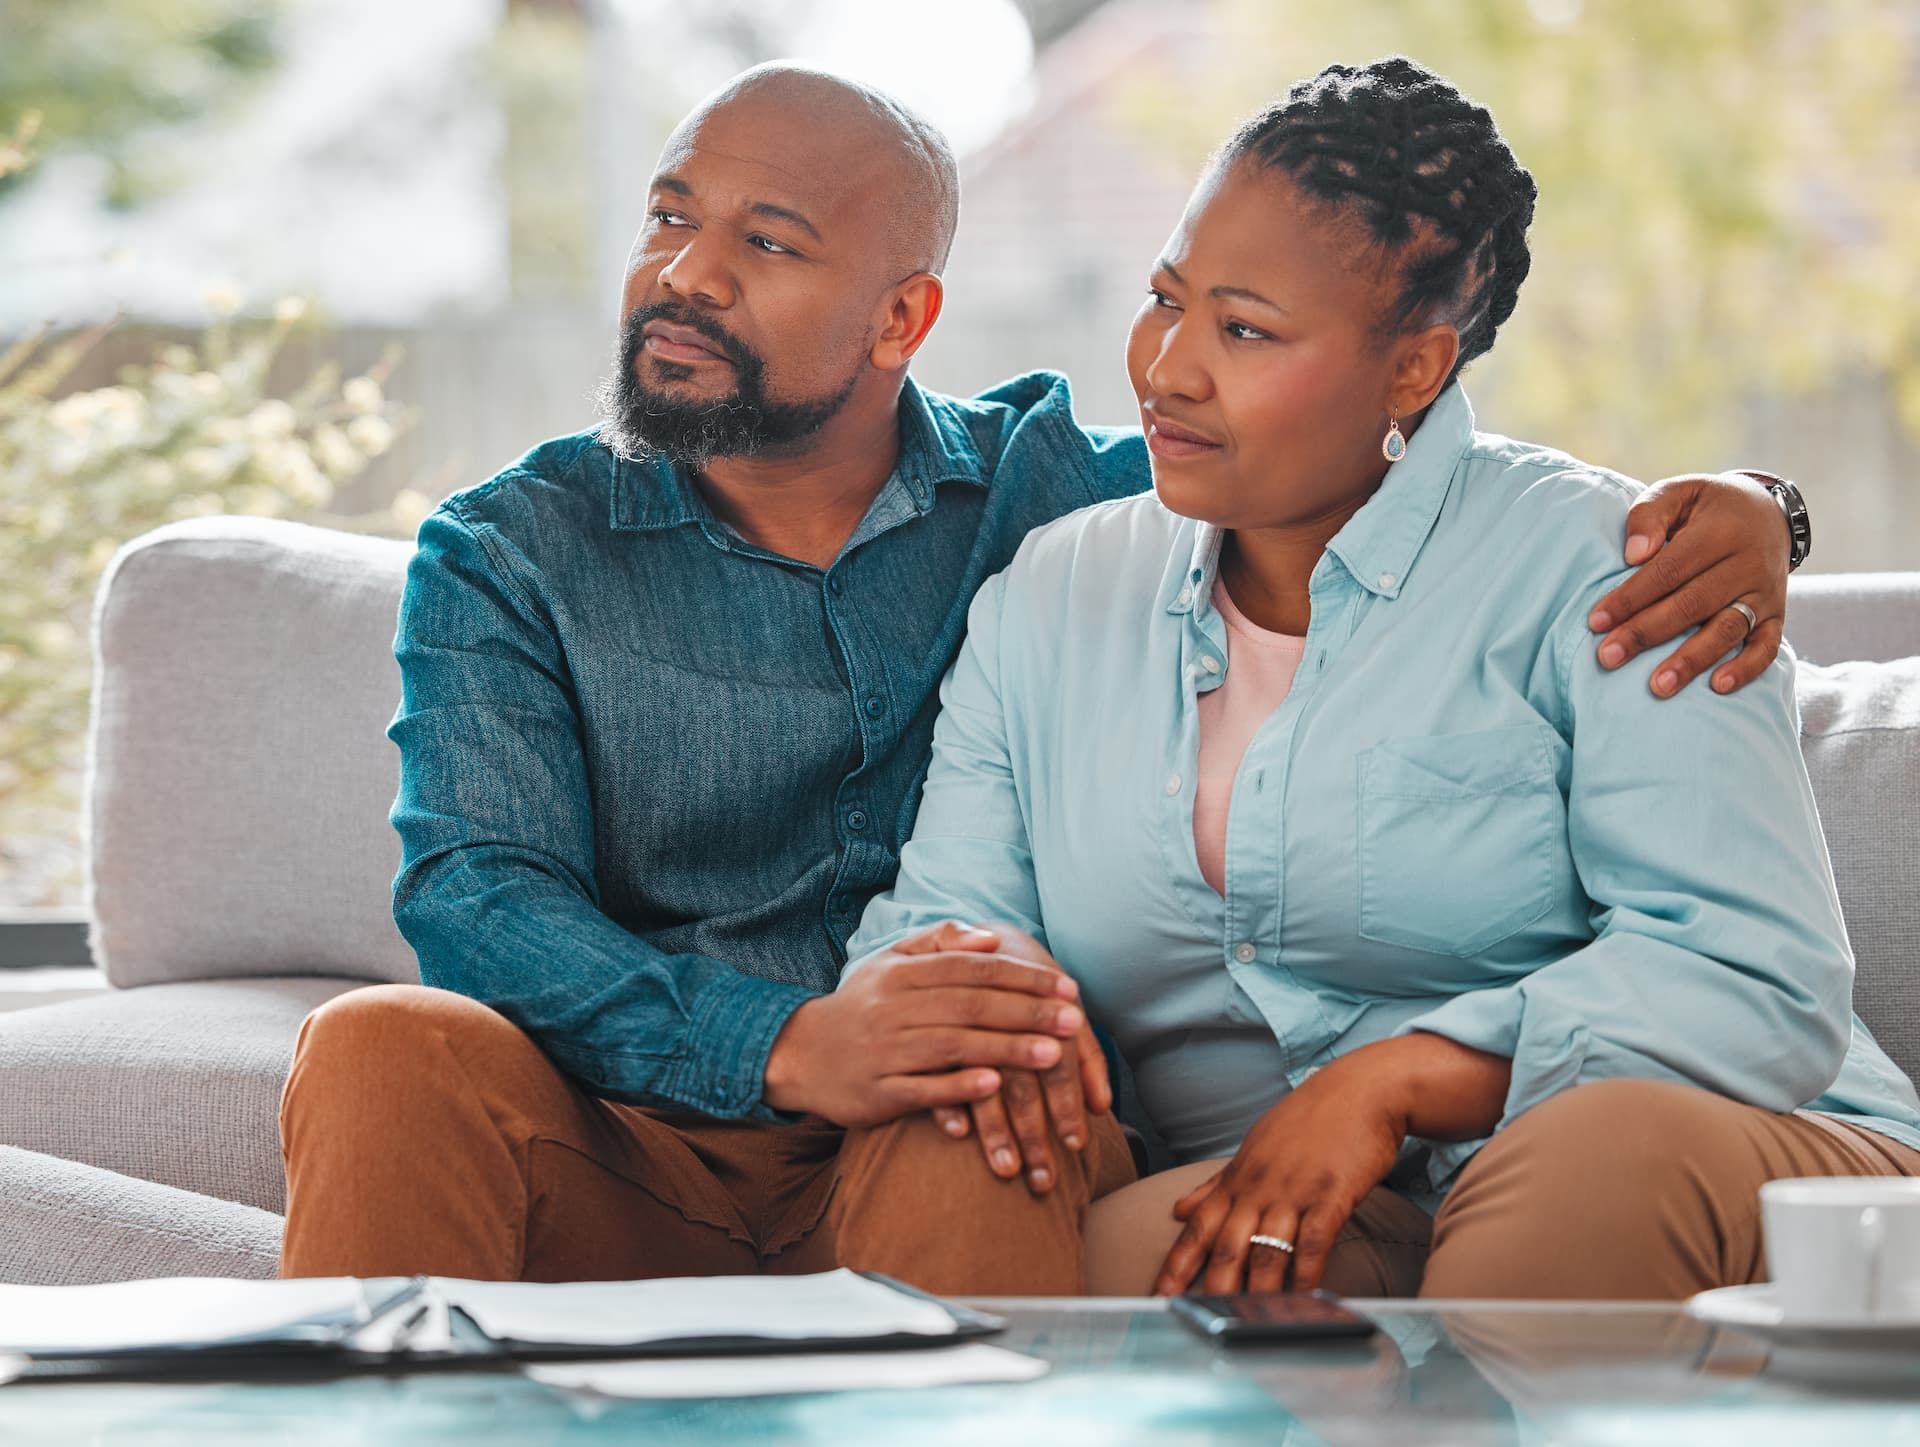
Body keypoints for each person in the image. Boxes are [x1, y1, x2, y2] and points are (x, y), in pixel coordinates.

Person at [279, 63, 1807, 1286]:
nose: (684, 275)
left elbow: (1357, 445)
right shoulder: (511, 548)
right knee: (375, 1042)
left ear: (903, 319)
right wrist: (794, 1041)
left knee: (981, 1100)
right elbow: (477, 895)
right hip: (651, 1134)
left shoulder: (1056, 503)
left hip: (965, 1128)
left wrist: (1755, 507)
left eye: (764, 242)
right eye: (668, 219)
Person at [839, 56, 1920, 1300]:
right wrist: (992, 1012)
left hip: (1722, 1161)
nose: (1170, 366)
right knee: (1133, 1246)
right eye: (1166, 299)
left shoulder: (1620, 569)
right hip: (1307, 1194)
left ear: (1414, 369)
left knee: (1580, 1170)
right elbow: (940, 924)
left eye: (1245, 330)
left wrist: (1400, 1074)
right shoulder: (1053, 597)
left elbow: (1755, 976)